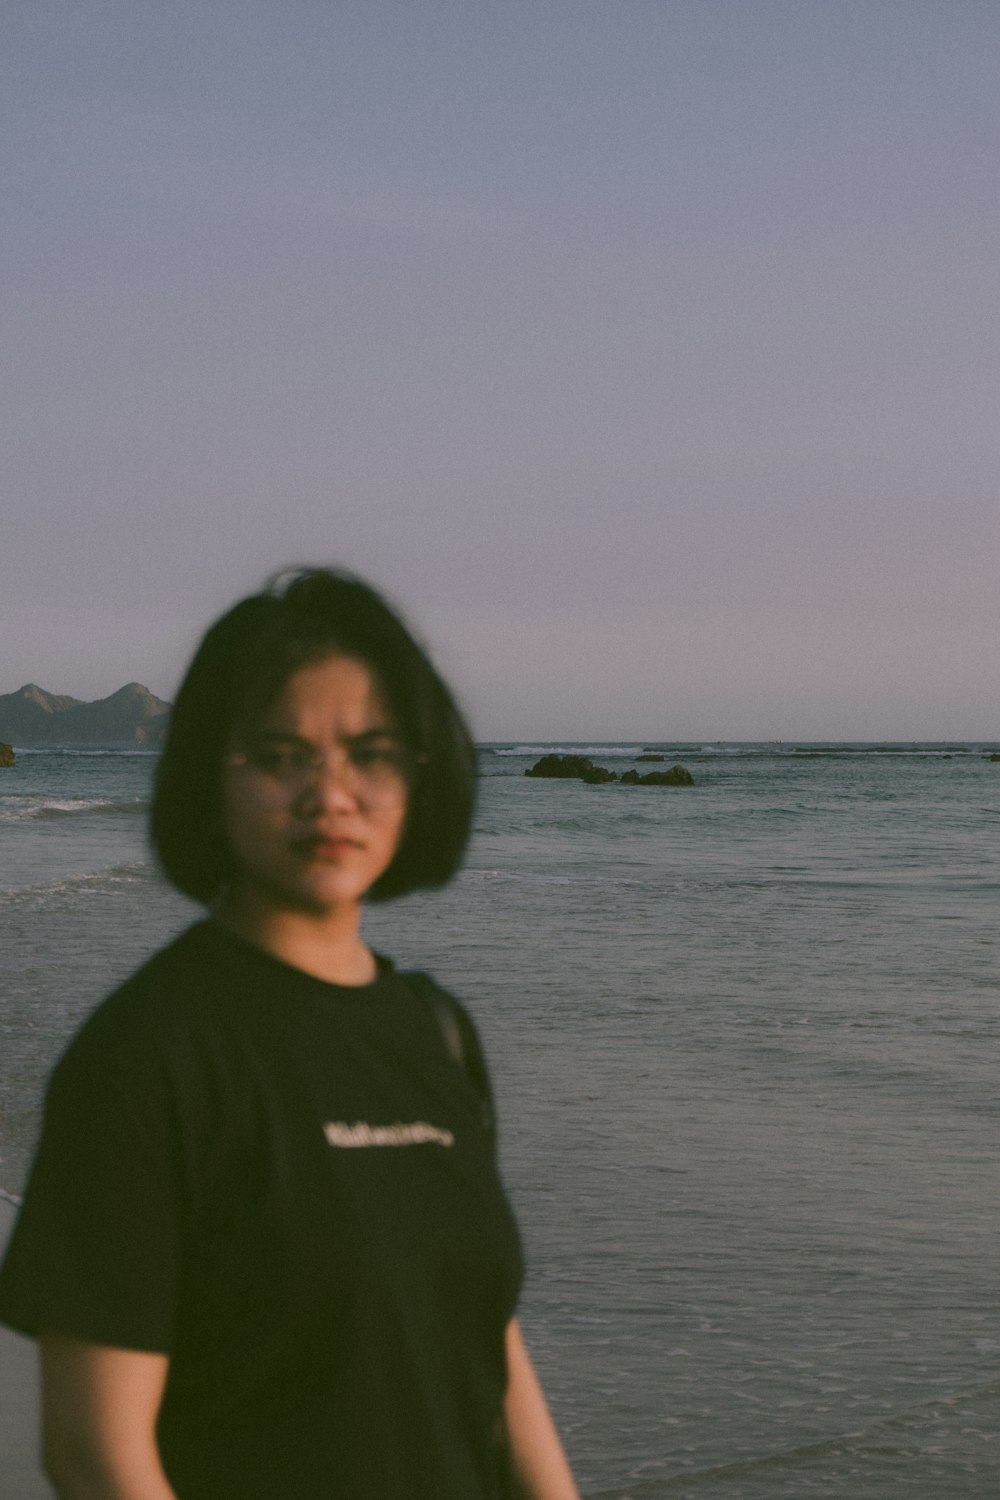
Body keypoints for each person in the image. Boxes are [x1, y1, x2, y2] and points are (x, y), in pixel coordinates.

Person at [0, 569, 580, 1500]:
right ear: (207, 774)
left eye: (372, 753)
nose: (332, 794)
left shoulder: (437, 1033)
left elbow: (486, 1342)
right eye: (282, 754)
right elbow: (95, 1454)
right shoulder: (146, 1057)